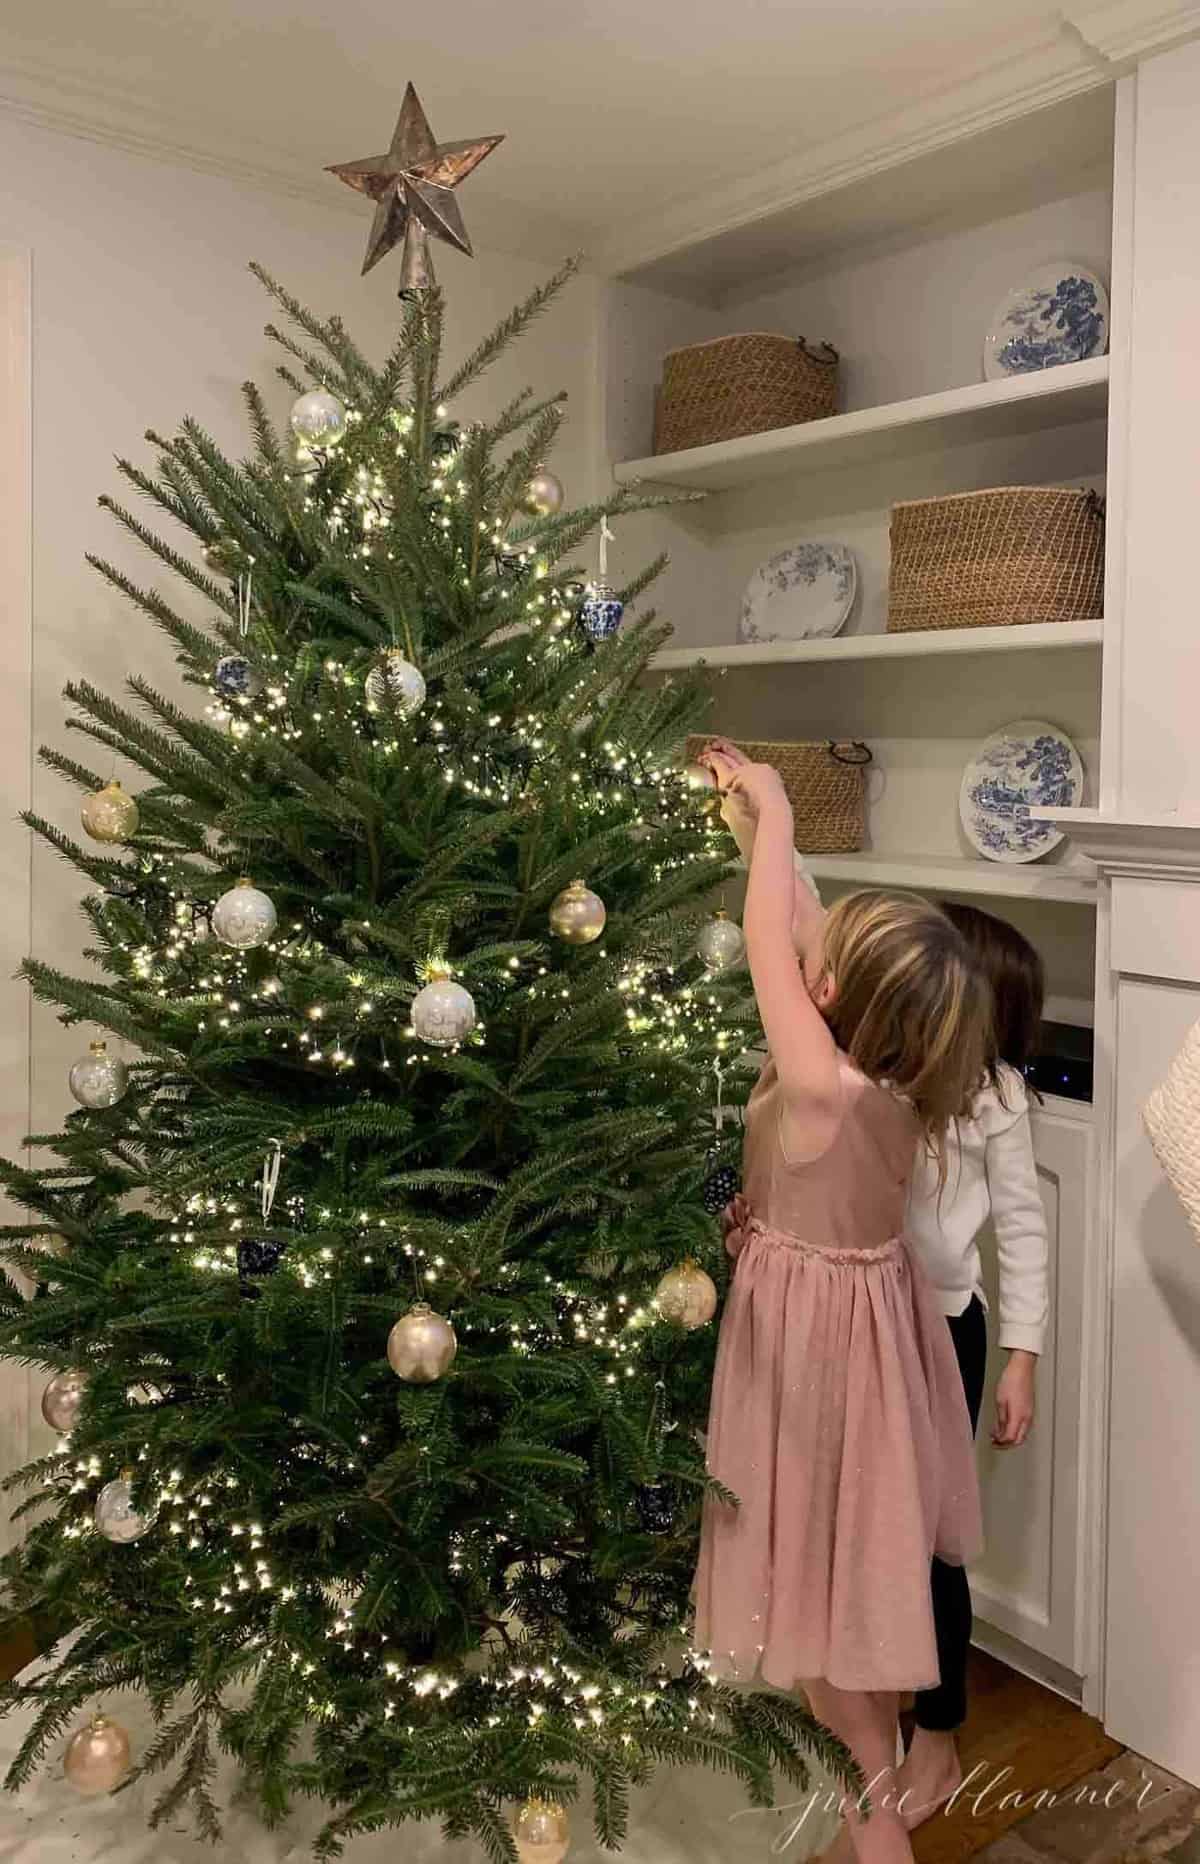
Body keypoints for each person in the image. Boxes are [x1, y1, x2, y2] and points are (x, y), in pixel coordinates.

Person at [693, 741, 990, 1864]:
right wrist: (752, 826)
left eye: (826, 966)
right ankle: (872, 1792)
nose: (808, 960)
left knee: (810, 1599)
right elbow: (804, 921)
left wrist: (773, 804)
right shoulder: (893, 1086)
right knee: (824, 1592)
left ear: (832, 998)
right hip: (864, 1338)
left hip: (812, 1356)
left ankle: (874, 1814)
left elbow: (775, 940)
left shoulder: (818, 1084)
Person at [898, 903, 1050, 1820]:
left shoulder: (995, 1098)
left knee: (934, 1539)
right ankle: (869, 1691)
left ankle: (940, 1731)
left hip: (947, 1329)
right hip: (864, 1321)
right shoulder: (880, 1074)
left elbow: (1023, 1233)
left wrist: (1022, 1358)